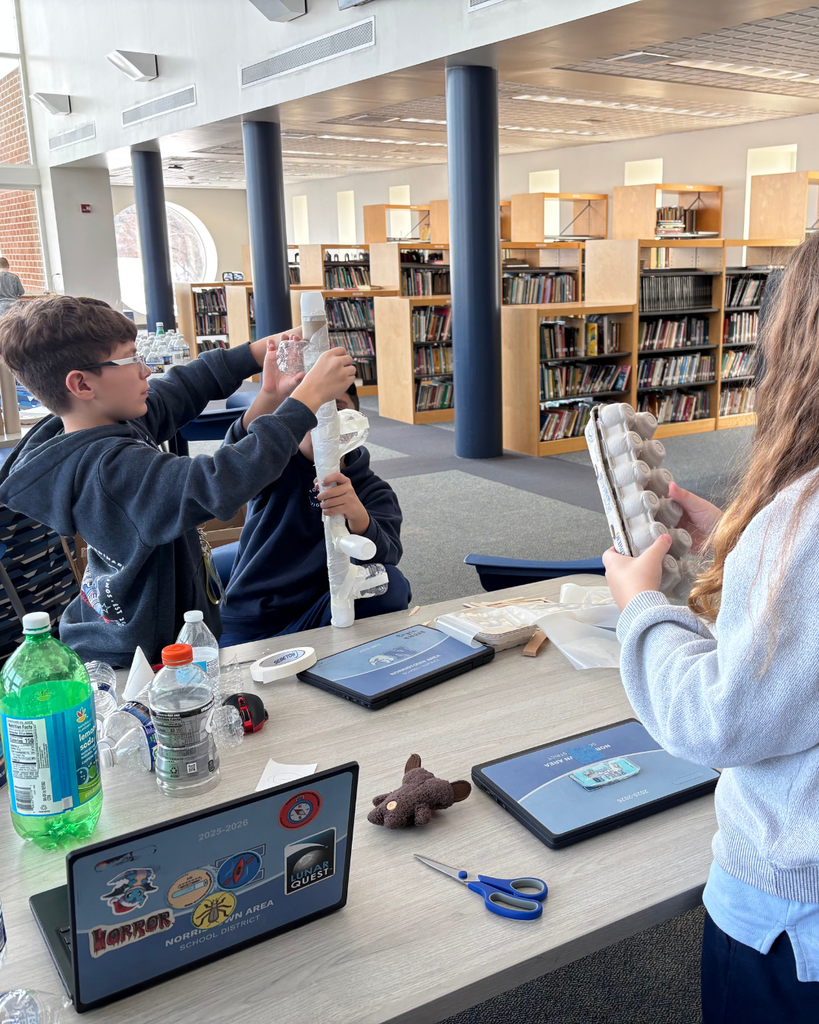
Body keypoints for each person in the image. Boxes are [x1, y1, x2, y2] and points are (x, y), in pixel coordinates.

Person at [602, 233, 819, 1023]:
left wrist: (640, 610)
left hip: (790, 928)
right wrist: (741, 540)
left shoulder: (807, 520)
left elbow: (718, 719)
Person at [0, 295, 356, 667]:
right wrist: (306, 399)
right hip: (139, 659)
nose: (146, 370)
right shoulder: (108, 469)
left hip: (153, 633)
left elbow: (183, 387)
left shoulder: (100, 422)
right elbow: (219, 481)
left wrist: (258, 354)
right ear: (83, 385)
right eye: (130, 360)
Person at [218, 381, 410, 646]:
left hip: (319, 618)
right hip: (252, 620)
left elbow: (387, 555)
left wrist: (357, 516)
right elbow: (230, 467)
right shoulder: (275, 465)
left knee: (391, 582)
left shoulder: (373, 490)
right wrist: (269, 394)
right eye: (313, 411)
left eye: (337, 410)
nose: (325, 422)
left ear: (357, 421)